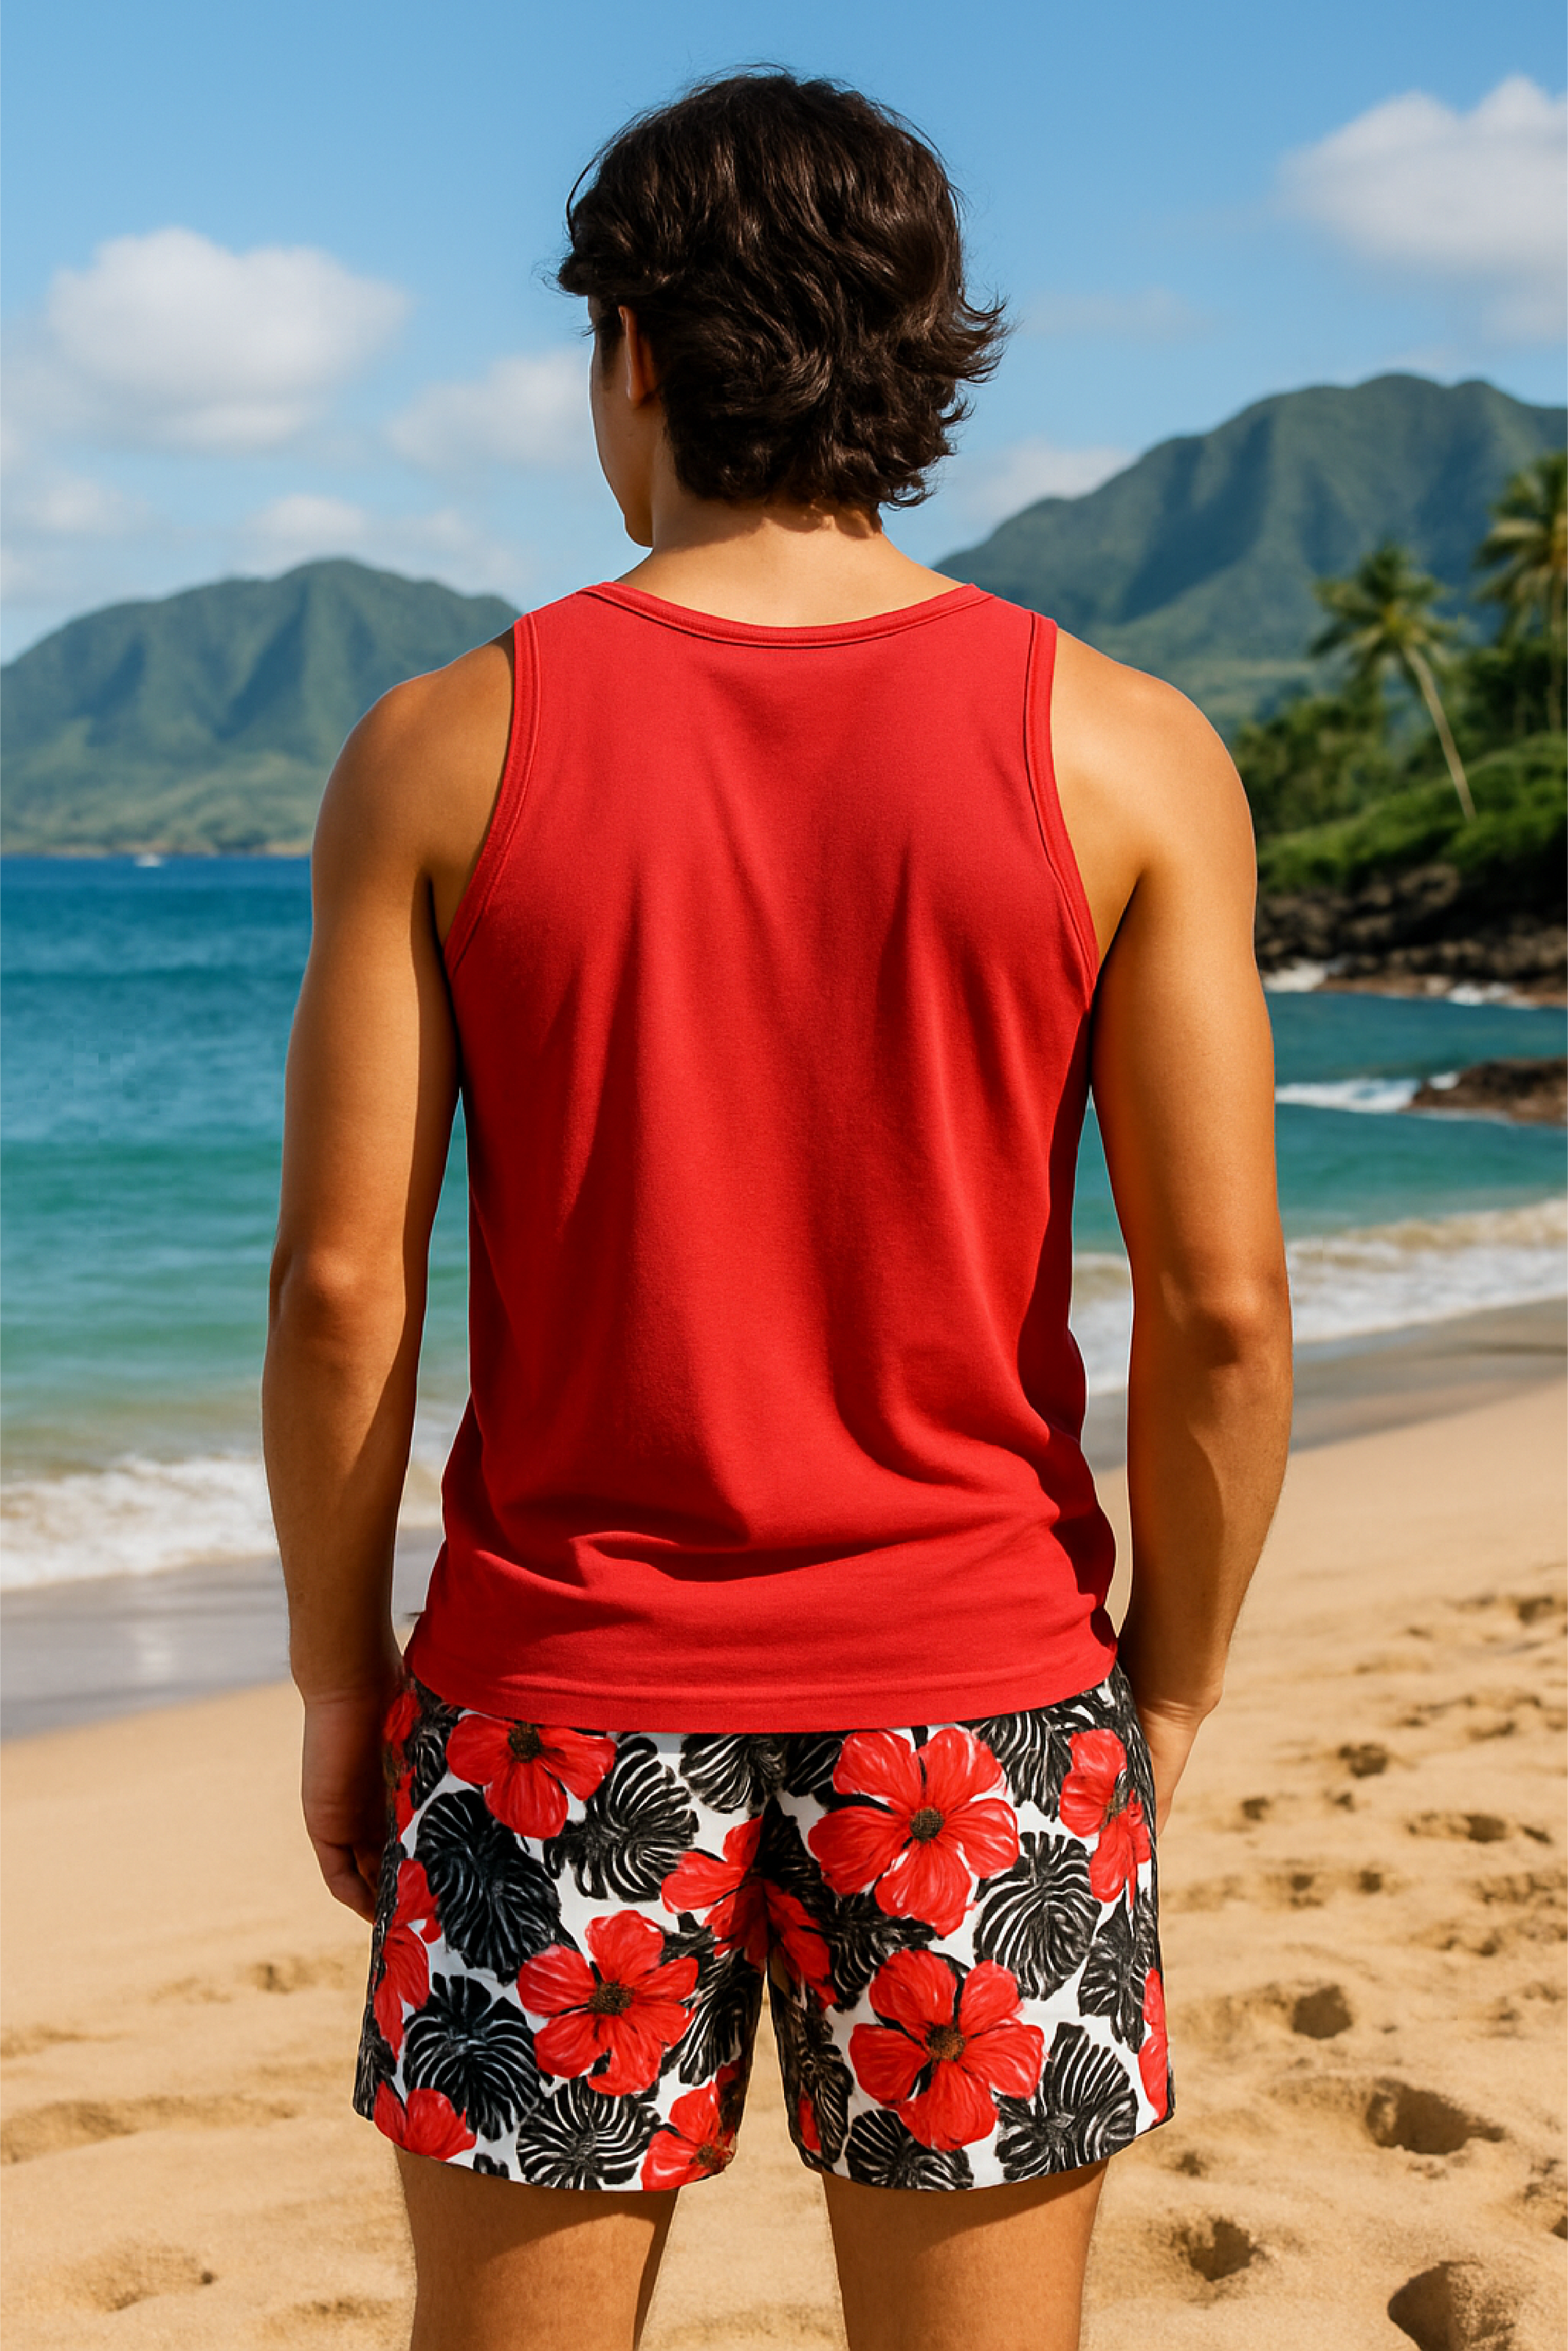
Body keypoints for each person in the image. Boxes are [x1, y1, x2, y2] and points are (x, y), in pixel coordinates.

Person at [263, 68, 1292, 2351]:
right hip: (983, 1710)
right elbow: (1222, 1310)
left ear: (632, 349)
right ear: (925, 356)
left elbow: (350, 1289)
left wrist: (346, 1674)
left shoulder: (449, 741)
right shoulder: (1123, 748)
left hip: (556, 1705)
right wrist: (1181, 1678)